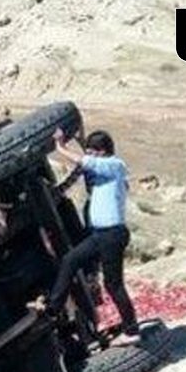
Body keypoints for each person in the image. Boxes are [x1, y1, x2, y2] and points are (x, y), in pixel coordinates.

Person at [41, 127, 141, 344]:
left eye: (94, 152)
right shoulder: (103, 171)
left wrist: (60, 147)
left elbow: (87, 162)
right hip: (101, 235)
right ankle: (53, 309)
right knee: (70, 260)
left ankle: (132, 330)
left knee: (114, 285)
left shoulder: (115, 166)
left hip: (112, 234)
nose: (90, 156)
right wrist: (80, 139)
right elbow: (89, 164)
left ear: (104, 152)